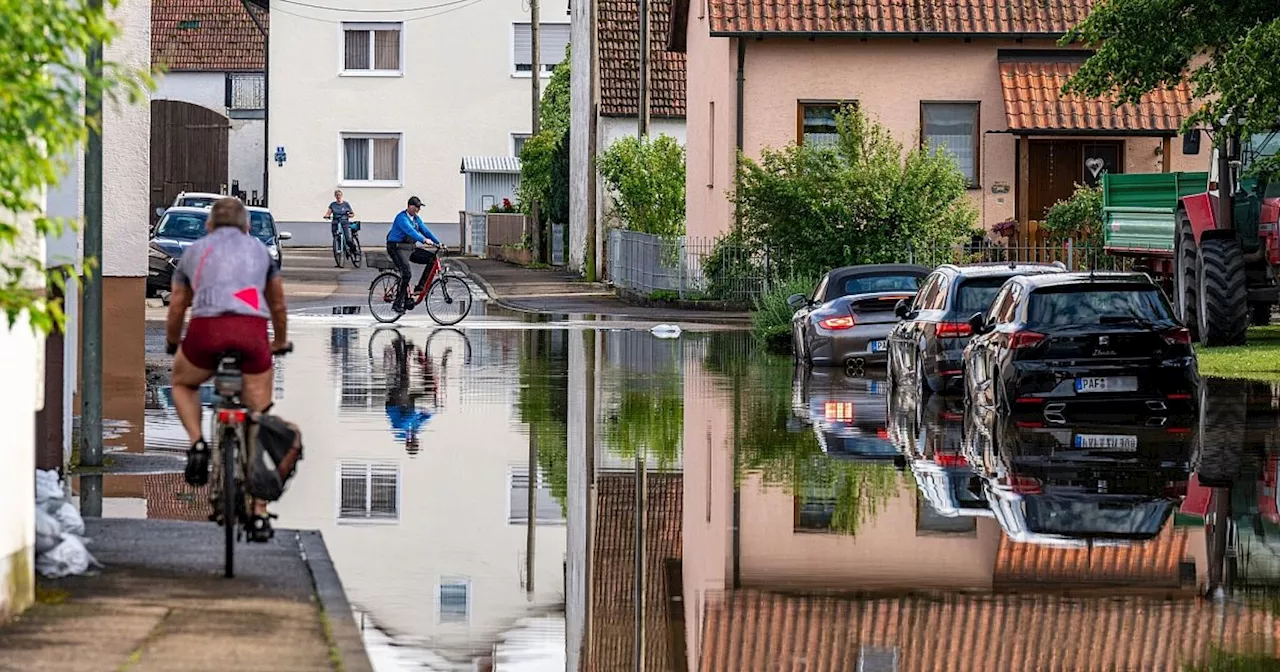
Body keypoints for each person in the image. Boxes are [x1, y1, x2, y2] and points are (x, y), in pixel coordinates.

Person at [165, 197, 291, 542]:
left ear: (209, 226)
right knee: (260, 414)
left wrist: (174, 342)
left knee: (182, 383)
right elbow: (278, 304)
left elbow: (177, 304)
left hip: (206, 333)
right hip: (251, 335)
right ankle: (260, 512)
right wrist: (279, 341)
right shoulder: (261, 253)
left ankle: (197, 444)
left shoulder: (194, 252)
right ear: (246, 226)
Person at [386, 195, 444, 311]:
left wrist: (439, 243)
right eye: (416, 207)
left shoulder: (416, 219)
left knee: (432, 259)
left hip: (409, 248)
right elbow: (410, 231)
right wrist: (423, 240)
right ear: (409, 206)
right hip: (396, 248)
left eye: (419, 207)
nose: (418, 209)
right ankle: (397, 304)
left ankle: (420, 287)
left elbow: (425, 230)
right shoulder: (401, 218)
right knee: (406, 274)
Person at [324, 189, 356, 261]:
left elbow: (352, 213)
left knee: (348, 239)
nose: (338, 197)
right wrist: (326, 215)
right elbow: (328, 212)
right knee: (336, 237)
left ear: (341, 196)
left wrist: (350, 215)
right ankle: (339, 250)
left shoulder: (346, 204)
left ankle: (354, 249)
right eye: (337, 195)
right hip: (336, 222)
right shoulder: (333, 204)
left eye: (339, 195)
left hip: (344, 222)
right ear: (335, 196)